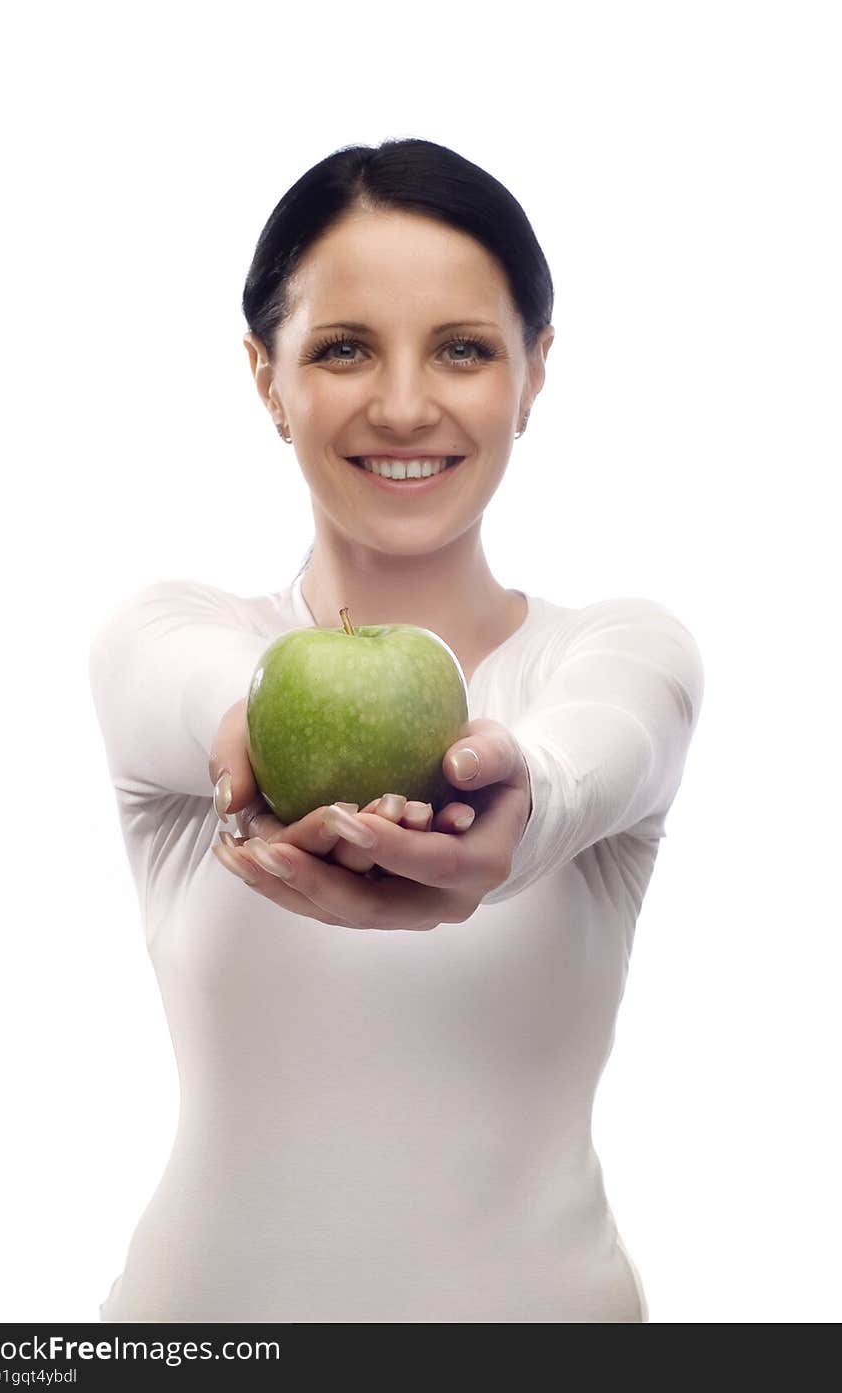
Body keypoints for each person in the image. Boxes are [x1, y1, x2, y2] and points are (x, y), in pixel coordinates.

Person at [88, 137, 705, 1323]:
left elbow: (591, 751)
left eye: (464, 349)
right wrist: (256, 734)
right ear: (267, 379)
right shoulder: (168, 634)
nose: (406, 403)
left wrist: (511, 797)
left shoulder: (619, 651)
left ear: (535, 372)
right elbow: (202, 685)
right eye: (343, 348)